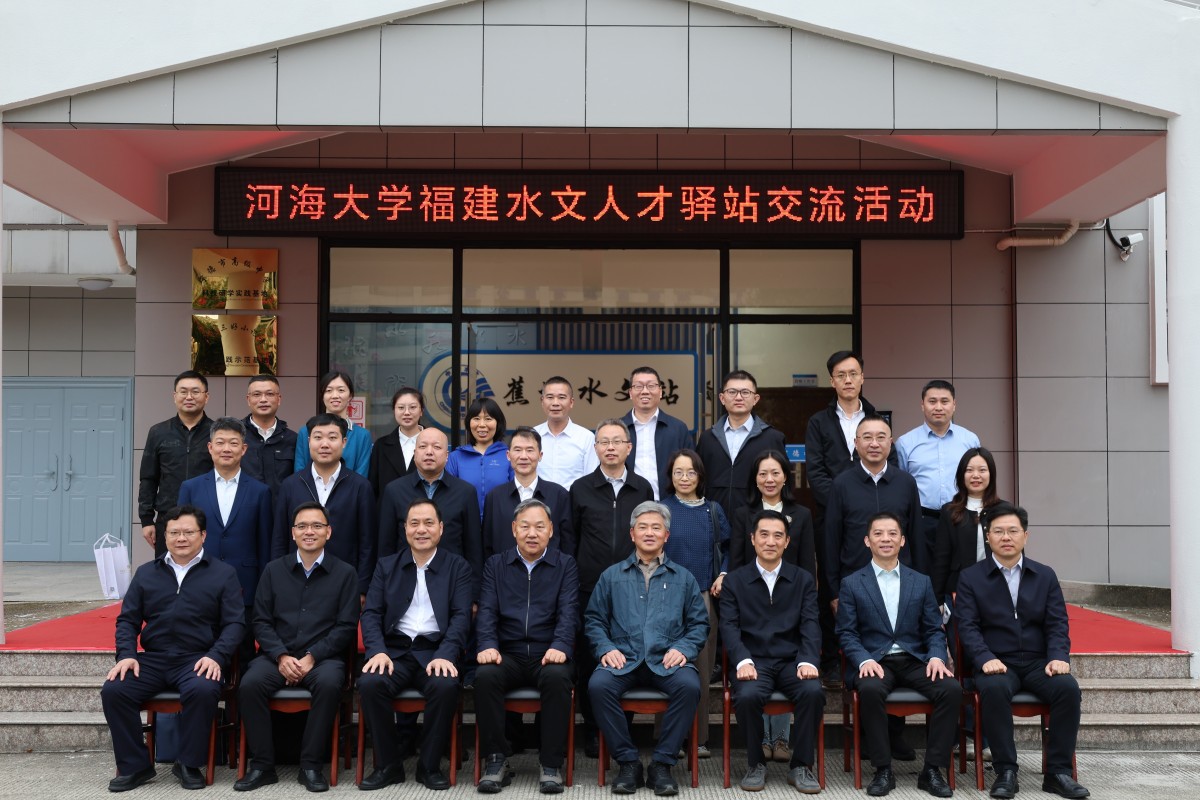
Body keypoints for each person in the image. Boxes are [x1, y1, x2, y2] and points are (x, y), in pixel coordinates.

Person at [100, 505, 244, 792]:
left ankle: (188, 764)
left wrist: (216, 656)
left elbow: (235, 624)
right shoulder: (146, 573)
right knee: (114, 690)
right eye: (174, 532)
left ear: (203, 535)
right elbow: (127, 620)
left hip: (198, 659)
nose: (181, 538)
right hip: (153, 659)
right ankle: (136, 766)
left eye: (188, 532)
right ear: (164, 536)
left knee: (202, 689)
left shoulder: (223, 574)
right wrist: (126, 655)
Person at [955, 503, 1088, 800]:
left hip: (1039, 663)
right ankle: (1006, 771)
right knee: (993, 689)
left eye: (1013, 531)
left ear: (1025, 536)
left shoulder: (1044, 575)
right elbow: (968, 627)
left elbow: (1057, 623)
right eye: (999, 531)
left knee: (1067, 689)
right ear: (988, 537)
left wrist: (1058, 656)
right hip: (997, 662)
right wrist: (985, 658)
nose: (1006, 537)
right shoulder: (971, 578)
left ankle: (1058, 773)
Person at [584, 501, 709, 797]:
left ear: (667, 535)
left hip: (666, 661)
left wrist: (684, 649)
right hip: (623, 659)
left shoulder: (683, 577)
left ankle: (662, 764)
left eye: (656, 528)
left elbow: (699, 624)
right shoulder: (611, 576)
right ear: (632, 534)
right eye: (643, 527)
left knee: (689, 686)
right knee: (598, 686)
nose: (649, 533)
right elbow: (594, 620)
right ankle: (628, 762)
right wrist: (605, 648)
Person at [235, 503, 360, 793]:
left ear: (328, 532)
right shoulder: (273, 570)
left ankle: (311, 766)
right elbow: (260, 621)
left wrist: (312, 657)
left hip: (323, 658)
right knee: (250, 684)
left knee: (328, 684)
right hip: (276, 656)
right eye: (302, 526)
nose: (309, 532)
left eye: (317, 526)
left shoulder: (345, 574)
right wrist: (281, 656)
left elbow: (345, 626)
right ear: (293, 533)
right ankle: (262, 766)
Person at [835, 513, 960, 798]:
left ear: (902, 541)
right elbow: (846, 633)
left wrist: (937, 656)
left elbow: (933, 629)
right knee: (870, 688)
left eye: (892, 533)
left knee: (951, 689)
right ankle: (883, 769)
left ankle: (932, 770)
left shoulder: (921, 581)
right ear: (867, 541)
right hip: (875, 660)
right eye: (878, 534)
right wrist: (863, 659)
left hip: (914, 659)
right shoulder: (852, 583)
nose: (886, 539)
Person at [358, 499, 475, 791]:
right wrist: (377, 651)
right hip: (394, 652)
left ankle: (429, 766)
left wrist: (447, 654)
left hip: (435, 651)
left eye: (428, 523)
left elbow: (462, 617)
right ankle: (388, 765)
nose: (421, 529)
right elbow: (371, 614)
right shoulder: (387, 566)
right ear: (405, 529)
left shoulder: (458, 567)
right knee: (370, 683)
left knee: (445, 686)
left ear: (441, 528)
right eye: (414, 523)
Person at [474, 499, 579, 795]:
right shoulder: (496, 565)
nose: (532, 533)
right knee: (485, 676)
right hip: (507, 653)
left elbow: (569, 612)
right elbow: (486, 611)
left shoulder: (565, 565)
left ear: (551, 531)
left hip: (548, 653)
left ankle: (550, 764)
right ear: (513, 529)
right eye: (525, 526)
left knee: (558, 677)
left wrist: (560, 645)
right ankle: (496, 760)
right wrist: (487, 645)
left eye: (539, 527)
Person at [803, 351, 893, 682]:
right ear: (832, 381)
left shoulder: (877, 418)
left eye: (853, 373)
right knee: (832, 583)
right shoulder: (818, 421)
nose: (848, 380)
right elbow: (816, 471)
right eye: (841, 375)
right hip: (831, 516)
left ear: (862, 377)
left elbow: (887, 462)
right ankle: (830, 659)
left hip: (875, 520)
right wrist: (845, 501)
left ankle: (875, 651)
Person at [719, 509, 824, 794]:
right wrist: (742, 659)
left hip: (792, 661)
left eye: (778, 536)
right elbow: (729, 626)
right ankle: (756, 764)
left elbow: (811, 624)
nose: (770, 541)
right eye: (763, 535)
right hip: (753, 661)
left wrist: (808, 659)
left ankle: (801, 765)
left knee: (812, 692)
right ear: (752, 539)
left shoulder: (802, 579)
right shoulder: (735, 581)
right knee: (748, 695)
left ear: (787, 542)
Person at [569, 418, 655, 756]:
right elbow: (572, 539)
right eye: (603, 441)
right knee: (591, 659)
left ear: (628, 447)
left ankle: (623, 729)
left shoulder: (642, 488)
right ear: (595, 448)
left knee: (628, 655)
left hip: (633, 586)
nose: (610, 447)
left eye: (617, 441)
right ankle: (593, 730)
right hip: (589, 586)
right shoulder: (580, 489)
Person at [727, 450, 816, 762]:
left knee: (791, 665)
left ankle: (780, 740)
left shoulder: (801, 514)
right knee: (755, 677)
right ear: (755, 479)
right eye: (763, 473)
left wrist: (806, 590)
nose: (769, 479)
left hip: (791, 598)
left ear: (785, 477)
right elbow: (737, 558)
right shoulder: (743, 513)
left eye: (775, 472)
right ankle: (762, 742)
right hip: (753, 598)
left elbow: (806, 561)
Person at [177, 417, 273, 651]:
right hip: (200, 580)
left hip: (245, 583)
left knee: (244, 650)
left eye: (233, 443)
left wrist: (263, 588)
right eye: (220, 443)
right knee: (199, 647)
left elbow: (264, 544)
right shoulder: (191, 488)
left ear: (244, 449)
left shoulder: (261, 491)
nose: (226, 449)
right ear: (210, 448)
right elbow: (181, 539)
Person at [659, 448, 730, 760]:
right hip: (665, 595)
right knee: (665, 666)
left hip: (703, 595)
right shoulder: (661, 509)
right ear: (670, 476)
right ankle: (668, 739)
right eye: (678, 472)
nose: (684, 478)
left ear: (700, 476)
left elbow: (729, 548)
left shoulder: (713, 511)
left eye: (691, 472)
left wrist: (723, 573)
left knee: (701, 669)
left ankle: (699, 738)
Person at [273, 414, 377, 596]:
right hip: (296, 581)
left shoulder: (360, 486)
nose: (325, 444)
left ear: (344, 442)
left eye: (332, 437)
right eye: (318, 437)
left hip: (345, 584)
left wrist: (362, 589)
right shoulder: (291, 485)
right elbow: (280, 538)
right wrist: (279, 581)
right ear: (309, 442)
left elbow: (367, 543)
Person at [824, 415, 923, 602]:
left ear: (891, 442)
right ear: (856, 443)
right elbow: (832, 541)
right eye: (867, 437)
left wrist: (920, 585)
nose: (874, 444)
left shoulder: (906, 483)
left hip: (901, 582)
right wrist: (834, 592)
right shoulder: (841, 484)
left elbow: (916, 536)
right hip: (853, 582)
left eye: (881, 437)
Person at [377, 428, 483, 586]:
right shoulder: (394, 491)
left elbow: (473, 549)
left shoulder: (465, 492)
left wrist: (473, 594)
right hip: (403, 583)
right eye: (423, 446)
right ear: (415, 454)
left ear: (447, 456)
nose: (429, 452)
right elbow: (385, 547)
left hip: (452, 583)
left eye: (437, 447)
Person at [895, 380, 981, 568]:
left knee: (961, 572)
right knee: (923, 572)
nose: (939, 407)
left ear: (954, 405)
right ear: (922, 405)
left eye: (945, 401)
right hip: (922, 521)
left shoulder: (970, 440)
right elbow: (901, 487)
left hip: (960, 516)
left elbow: (978, 481)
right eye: (932, 401)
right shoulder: (905, 443)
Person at [138, 370, 215, 556]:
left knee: (208, 569)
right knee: (167, 569)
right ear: (175, 396)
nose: (189, 397)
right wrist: (146, 520)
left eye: (195, 391)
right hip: (168, 518)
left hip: (208, 518)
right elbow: (148, 478)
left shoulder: (217, 432)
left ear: (206, 397)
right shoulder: (158, 432)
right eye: (183, 391)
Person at [695, 370, 787, 525]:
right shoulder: (707, 438)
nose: (738, 397)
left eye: (745, 392)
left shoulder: (772, 438)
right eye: (732, 392)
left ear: (755, 399)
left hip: (758, 522)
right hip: (713, 522)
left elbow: (783, 483)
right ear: (722, 398)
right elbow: (699, 480)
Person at [482, 427, 572, 560]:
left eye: (530, 450)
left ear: (540, 455)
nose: (523, 456)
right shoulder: (494, 497)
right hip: (504, 571)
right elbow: (487, 544)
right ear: (508, 455)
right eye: (517, 450)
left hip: (550, 571)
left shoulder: (559, 495)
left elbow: (568, 543)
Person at [931, 447, 1003, 603]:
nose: (976, 475)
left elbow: (1016, 555)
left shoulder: (1004, 510)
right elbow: (941, 560)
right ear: (961, 475)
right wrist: (938, 600)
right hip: (960, 591)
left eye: (982, 470)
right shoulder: (949, 511)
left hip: (997, 589)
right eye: (969, 470)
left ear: (991, 474)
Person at [619, 366, 693, 500]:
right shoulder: (617, 429)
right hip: (628, 504)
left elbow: (692, 469)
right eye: (638, 386)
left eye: (651, 386)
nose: (645, 391)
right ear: (630, 393)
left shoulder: (678, 429)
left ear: (660, 392)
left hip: (670, 504)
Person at [294, 370, 372, 477]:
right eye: (329, 390)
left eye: (341, 390)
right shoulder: (306, 431)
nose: (335, 395)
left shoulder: (362, 436)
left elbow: (361, 476)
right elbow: (300, 473)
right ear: (322, 396)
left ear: (350, 396)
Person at [446, 396, 513, 516]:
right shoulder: (455, 457)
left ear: (498, 423)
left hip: (500, 521)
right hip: (465, 522)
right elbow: (449, 496)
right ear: (469, 423)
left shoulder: (509, 456)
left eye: (488, 419)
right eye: (476, 418)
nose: (482, 424)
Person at [533, 376, 599, 490]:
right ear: (542, 401)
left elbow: (591, 478)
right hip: (537, 500)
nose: (555, 403)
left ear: (571, 402)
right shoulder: (532, 435)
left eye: (561, 397)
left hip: (574, 500)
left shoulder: (586, 437)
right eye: (550, 397)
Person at [240, 375, 299, 502]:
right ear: (248, 399)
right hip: (244, 509)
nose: (263, 400)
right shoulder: (236, 436)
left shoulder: (293, 439)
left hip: (281, 511)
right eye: (257, 394)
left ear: (279, 399)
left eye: (270, 394)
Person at [368, 387, 425, 498]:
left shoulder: (434, 442)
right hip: (389, 508)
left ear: (421, 411)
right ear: (394, 411)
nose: (407, 412)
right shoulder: (381, 446)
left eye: (413, 407)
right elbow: (373, 488)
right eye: (401, 407)